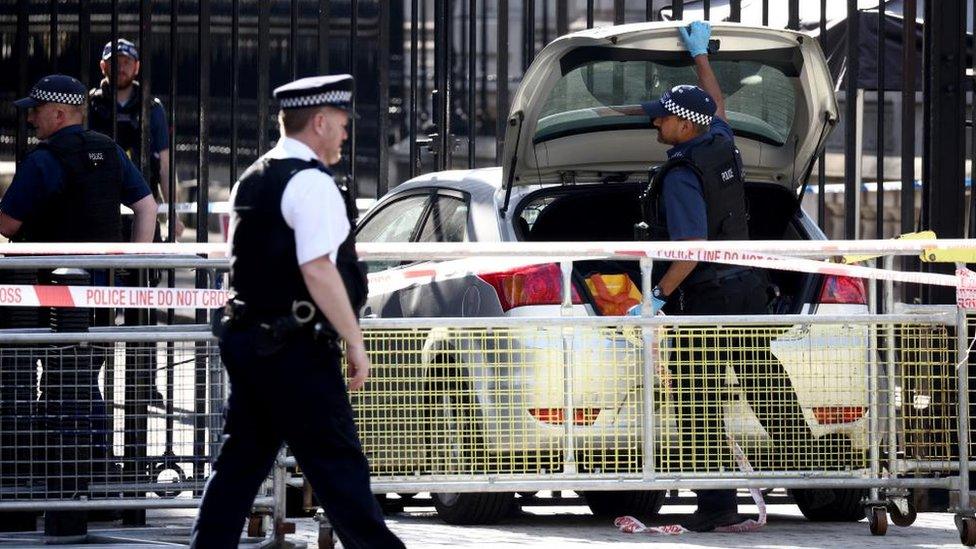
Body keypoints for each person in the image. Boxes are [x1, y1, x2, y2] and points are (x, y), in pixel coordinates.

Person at [190, 74, 404, 549]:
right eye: (343, 124)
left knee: (237, 470)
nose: (347, 134)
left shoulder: (255, 176)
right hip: (297, 352)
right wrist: (354, 340)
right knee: (339, 470)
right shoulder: (310, 183)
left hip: (253, 343)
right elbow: (318, 270)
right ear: (321, 122)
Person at [635, 22, 813, 531]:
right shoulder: (721, 142)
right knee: (765, 385)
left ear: (685, 126)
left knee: (698, 402)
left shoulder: (682, 174)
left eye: (663, 120)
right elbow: (718, 105)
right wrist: (701, 59)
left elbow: (692, 247)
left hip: (708, 298)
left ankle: (716, 508)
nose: (656, 127)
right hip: (748, 291)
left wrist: (656, 296)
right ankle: (831, 478)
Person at [0, 73, 156, 243]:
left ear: (59, 115)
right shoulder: (111, 150)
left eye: (36, 110)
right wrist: (134, 260)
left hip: (47, 266)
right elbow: (147, 207)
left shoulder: (41, 161)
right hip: (104, 266)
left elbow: (7, 226)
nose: (30, 118)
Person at [89, 38, 184, 239]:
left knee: (144, 268)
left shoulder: (152, 108)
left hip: (145, 204)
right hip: (98, 208)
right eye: (115, 62)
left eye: (127, 62)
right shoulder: (90, 105)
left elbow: (165, 166)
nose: (121, 68)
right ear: (103, 66)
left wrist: (172, 213)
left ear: (137, 67)